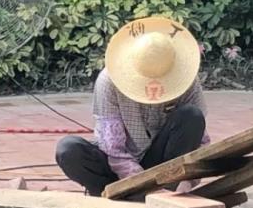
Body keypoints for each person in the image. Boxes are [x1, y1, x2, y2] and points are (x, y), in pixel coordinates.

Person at [56, 16, 210, 197]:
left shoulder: (187, 81)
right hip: (117, 170)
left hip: (163, 167)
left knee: (192, 116)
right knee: (68, 150)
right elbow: (113, 148)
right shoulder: (109, 81)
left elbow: (199, 140)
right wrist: (140, 184)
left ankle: (164, 192)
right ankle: (121, 195)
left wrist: (188, 179)